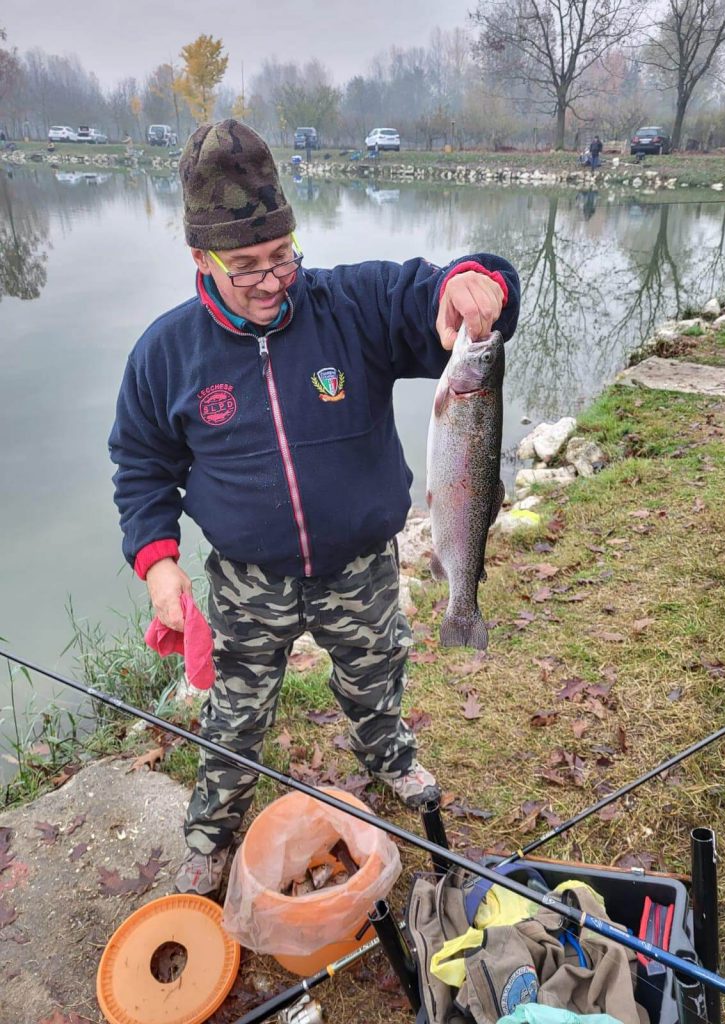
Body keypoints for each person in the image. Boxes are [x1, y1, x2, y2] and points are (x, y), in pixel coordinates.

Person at [108, 119, 520, 896]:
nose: (271, 281)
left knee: (376, 677)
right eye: (246, 268)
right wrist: (158, 563)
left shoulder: (350, 305)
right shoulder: (165, 354)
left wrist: (479, 283)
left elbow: (437, 289)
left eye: (281, 258)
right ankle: (211, 832)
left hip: (358, 567)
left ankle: (390, 757)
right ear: (201, 259)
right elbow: (141, 466)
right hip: (247, 580)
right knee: (235, 715)